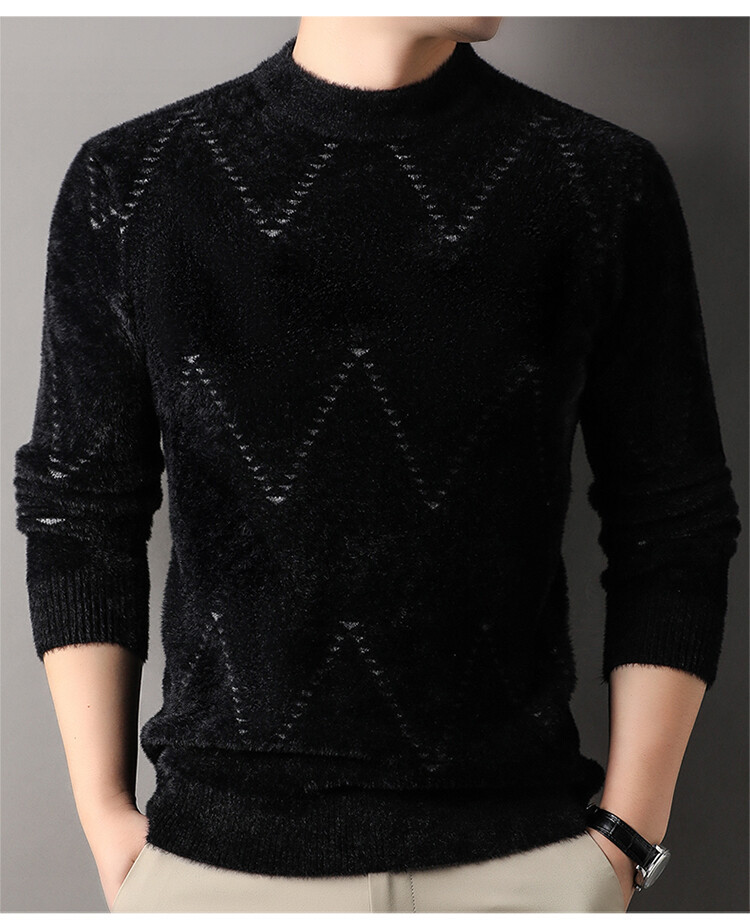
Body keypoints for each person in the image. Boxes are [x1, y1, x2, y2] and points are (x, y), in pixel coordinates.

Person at [13, 15, 741, 913]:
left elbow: (673, 520)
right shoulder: (135, 180)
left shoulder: (598, 180)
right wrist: (105, 819)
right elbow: (78, 512)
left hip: (526, 866)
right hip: (215, 873)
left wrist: (626, 836)